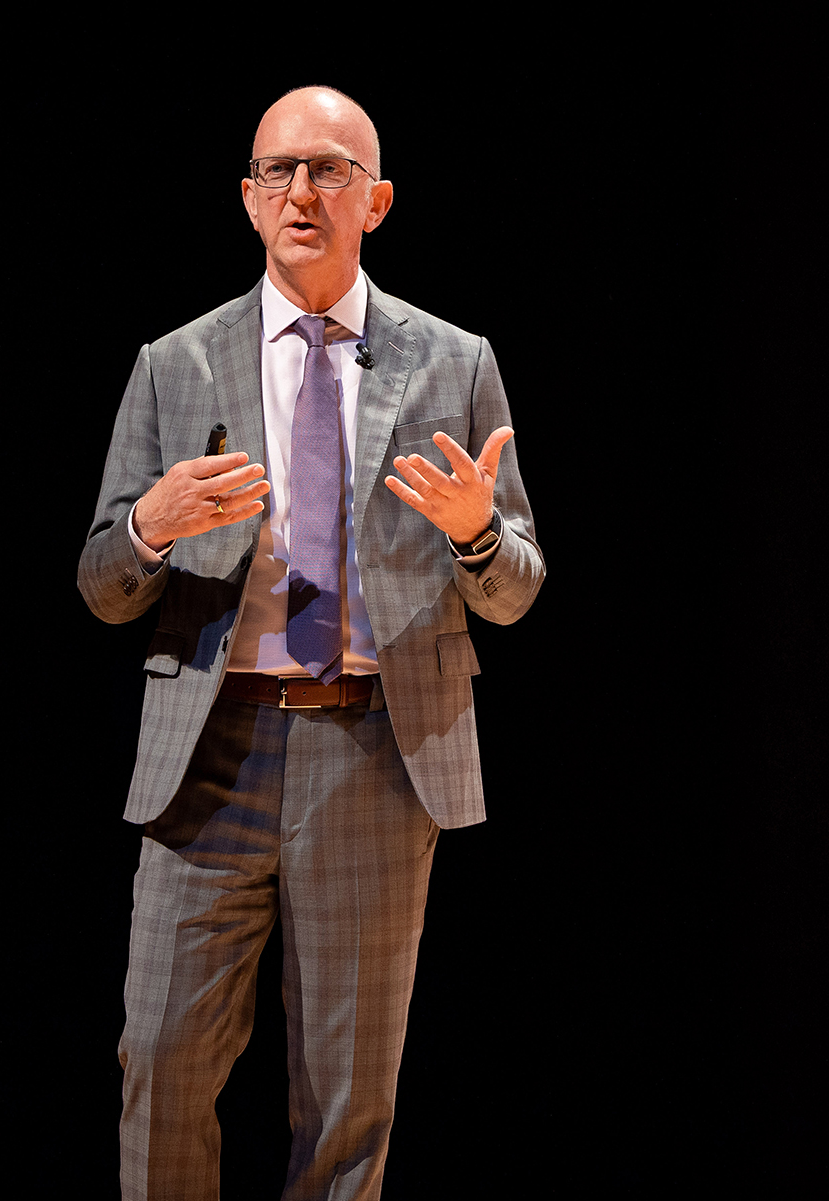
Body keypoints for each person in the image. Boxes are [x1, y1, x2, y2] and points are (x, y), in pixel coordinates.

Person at [78, 85, 545, 1201]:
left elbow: (518, 590)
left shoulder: (453, 360)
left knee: (346, 1103)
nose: (302, 191)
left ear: (375, 201)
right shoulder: (175, 364)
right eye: (278, 171)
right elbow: (102, 583)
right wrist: (152, 522)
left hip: (375, 756)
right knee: (161, 1066)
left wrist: (479, 532)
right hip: (211, 757)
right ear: (247, 200)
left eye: (330, 170)